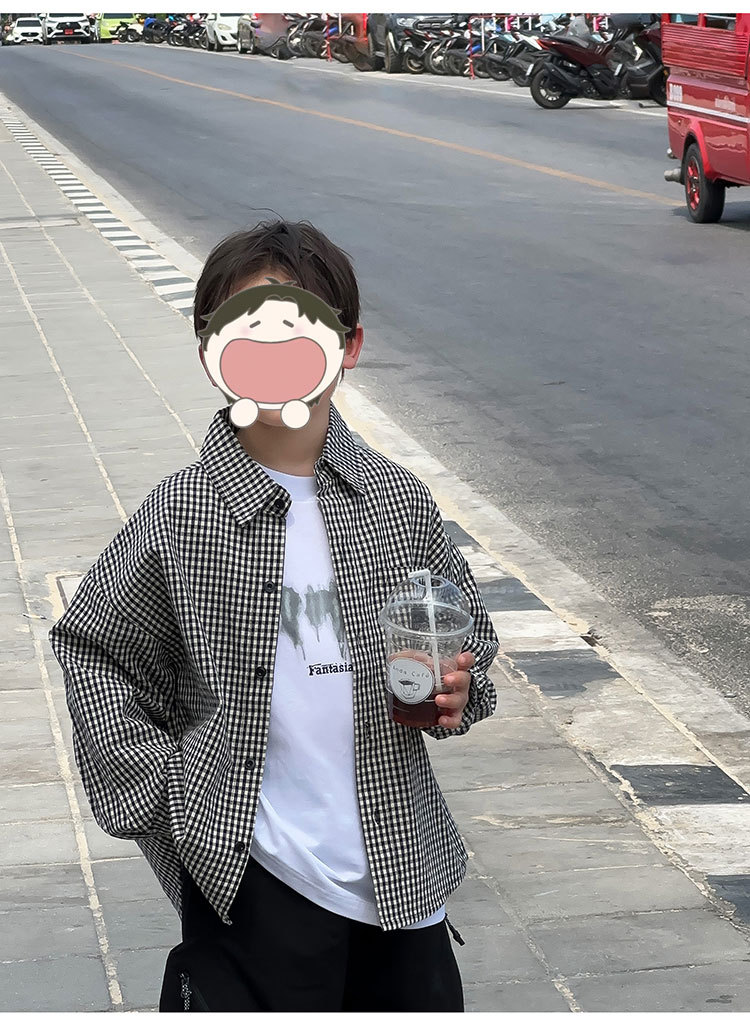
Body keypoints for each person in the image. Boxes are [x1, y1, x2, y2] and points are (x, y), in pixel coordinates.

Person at [49, 219, 500, 1012]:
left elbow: (472, 645)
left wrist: (459, 693)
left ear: (348, 346)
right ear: (210, 352)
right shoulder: (183, 514)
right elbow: (94, 645)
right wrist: (166, 791)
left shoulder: (397, 503)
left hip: (404, 871)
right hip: (253, 878)